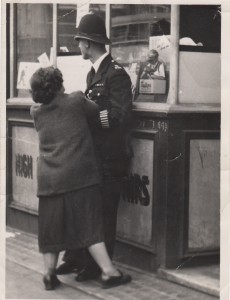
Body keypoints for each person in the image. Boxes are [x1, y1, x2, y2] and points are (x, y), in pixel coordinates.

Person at [30, 66, 132, 290]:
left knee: (51, 229)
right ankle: (108, 272)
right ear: (59, 85)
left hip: (49, 179)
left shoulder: (36, 112)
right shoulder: (76, 101)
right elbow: (98, 113)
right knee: (90, 226)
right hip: (79, 176)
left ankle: (48, 274)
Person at [56, 13, 133, 281]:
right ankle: (82, 260)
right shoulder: (94, 73)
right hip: (94, 156)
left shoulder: (116, 74)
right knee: (90, 210)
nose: (78, 47)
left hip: (111, 158)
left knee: (105, 213)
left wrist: (89, 118)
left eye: (79, 42)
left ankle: (100, 267)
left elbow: (120, 115)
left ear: (88, 43)